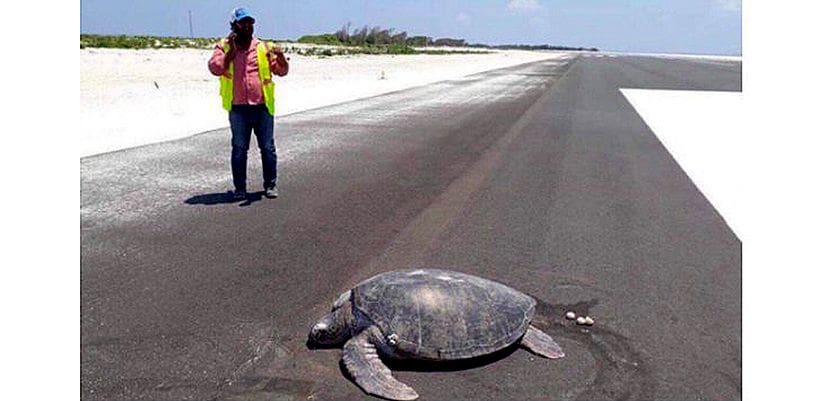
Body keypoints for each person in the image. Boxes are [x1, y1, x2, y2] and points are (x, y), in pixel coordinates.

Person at [208, 7, 289, 200]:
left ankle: (270, 185)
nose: (247, 26)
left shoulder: (264, 47)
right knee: (239, 149)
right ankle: (240, 189)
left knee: (268, 148)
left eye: (250, 23)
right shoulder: (223, 46)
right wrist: (231, 53)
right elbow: (215, 68)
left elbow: (282, 71)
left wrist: (282, 58)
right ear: (234, 25)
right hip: (238, 109)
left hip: (262, 107)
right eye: (243, 23)